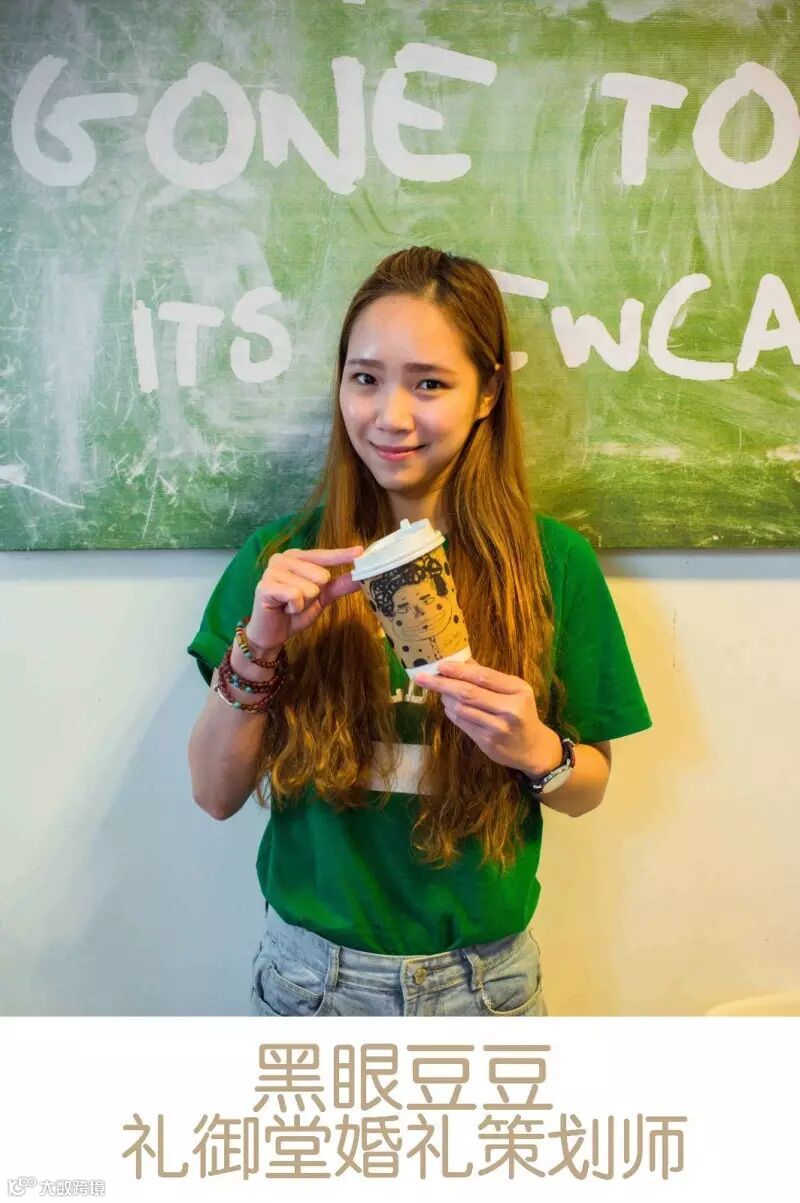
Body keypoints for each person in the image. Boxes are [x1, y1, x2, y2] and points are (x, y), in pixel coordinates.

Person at [187, 245, 652, 1017]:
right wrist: (260, 644)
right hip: (312, 984)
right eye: (365, 378)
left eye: (429, 383)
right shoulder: (282, 562)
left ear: (487, 392)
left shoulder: (553, 564)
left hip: (484, 986)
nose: (389, 416)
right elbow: (213, 793)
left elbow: (588, 789)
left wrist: (536, 748)